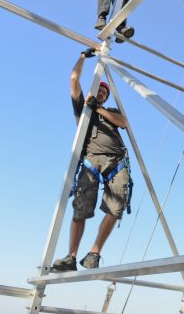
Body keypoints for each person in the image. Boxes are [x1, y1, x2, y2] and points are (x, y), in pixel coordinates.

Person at [52, 48, 131, 271]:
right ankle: (71, 256)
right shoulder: (82, 109)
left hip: (115, 163)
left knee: (116, 209)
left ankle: (94, 253)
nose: (102, 94)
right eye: (99, 91)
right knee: (81, 210)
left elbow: (123, 122)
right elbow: (74, 78)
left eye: (105, 93)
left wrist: (100, 109)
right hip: (91, 162)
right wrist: (83, 57)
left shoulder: (110, 112)